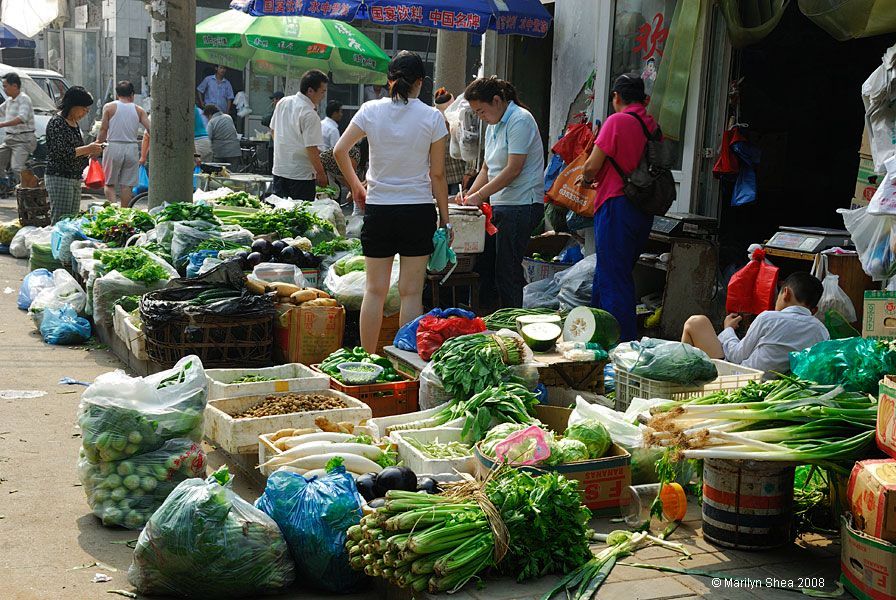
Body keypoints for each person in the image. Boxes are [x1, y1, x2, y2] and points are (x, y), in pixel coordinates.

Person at [333, 51, 451, 353]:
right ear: (421, 83)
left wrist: (357, 186)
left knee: (374, 291)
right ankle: (403, 362)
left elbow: (339, 150)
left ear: (389, 81)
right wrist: (445, 219)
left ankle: (368, 360)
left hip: (379, 210)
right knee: (411, 293)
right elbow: (437, 175)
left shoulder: (370, 110)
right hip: (418, 211)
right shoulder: (433, 117)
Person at [458, 76, 545, 309]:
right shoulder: (493, 126)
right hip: (500, 205)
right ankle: (489, 318)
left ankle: (511, 321)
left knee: (507, 270)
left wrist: (479, 196)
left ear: (497, 101)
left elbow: (513, 169)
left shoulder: (520, 120)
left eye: (481, 111)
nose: (480, 117)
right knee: (487, 266)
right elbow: (487, 167)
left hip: (521, 205)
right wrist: (468, 195)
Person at [581, 73, 656, 342]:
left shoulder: (618, 121)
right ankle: (595, 334)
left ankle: (620, 346)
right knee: (611, 272)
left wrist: (586, 178)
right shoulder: (650, 123)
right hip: (642, 207)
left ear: (616, 97)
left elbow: (592, 165)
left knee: (615, 279)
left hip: (616, 204)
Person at [682, 272, 830, 376]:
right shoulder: (822, 331)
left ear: (786, 293)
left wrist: (728, 330)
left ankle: (680, 379)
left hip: (740, 381)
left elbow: (736, 356)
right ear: (814, 310)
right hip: (780, 390)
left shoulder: (769, 318)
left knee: (696, 322)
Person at [45, 86, 104, 223]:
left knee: (72, 220)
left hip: (75, 177)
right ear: (73, 106)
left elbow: (76, 150)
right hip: (60, 177)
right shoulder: (57, 123)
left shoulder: (74, 123)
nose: (85, 113)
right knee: (61, 220)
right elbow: (62, 153)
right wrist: (88, 148)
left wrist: (91, 151)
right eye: (84, 109)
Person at [269, 69, 328, 201]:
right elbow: (311, 148)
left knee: (279, 213)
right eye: (322, 91)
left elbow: (273, 130)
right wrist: (321, 173)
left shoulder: (283, 102)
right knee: (300, 216)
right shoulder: (310, 114)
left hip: (280, 170)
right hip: (301, 175)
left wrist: (285, 150)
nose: (323, 95)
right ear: (310, 91)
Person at [97, 80, 151, 207]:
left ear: (117, 94)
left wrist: (97, 145)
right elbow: (150, 129)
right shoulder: (139, 110)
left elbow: (103, 129)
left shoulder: (109, 107)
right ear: (132, 94)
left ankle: (114, 208)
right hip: (131, 148)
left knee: (109, 184)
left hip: (113, 146)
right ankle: (124, 212)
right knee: (127, 185)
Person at [0, 72, 38, 187]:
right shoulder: (10, 101)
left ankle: (32, 188)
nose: (4, 89)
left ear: (15, 86)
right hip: (10, 139)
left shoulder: (24, 99)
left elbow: (22, 118)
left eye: (5, 86)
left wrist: (2, 124)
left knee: (17, 168)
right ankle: (5, 184)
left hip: (23, 140)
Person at [434, 87, 467, 196]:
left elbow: (469, 146)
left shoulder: (460, 119)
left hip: (458, 175)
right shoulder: (434, 120)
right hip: (440, 176)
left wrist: (469, 172)